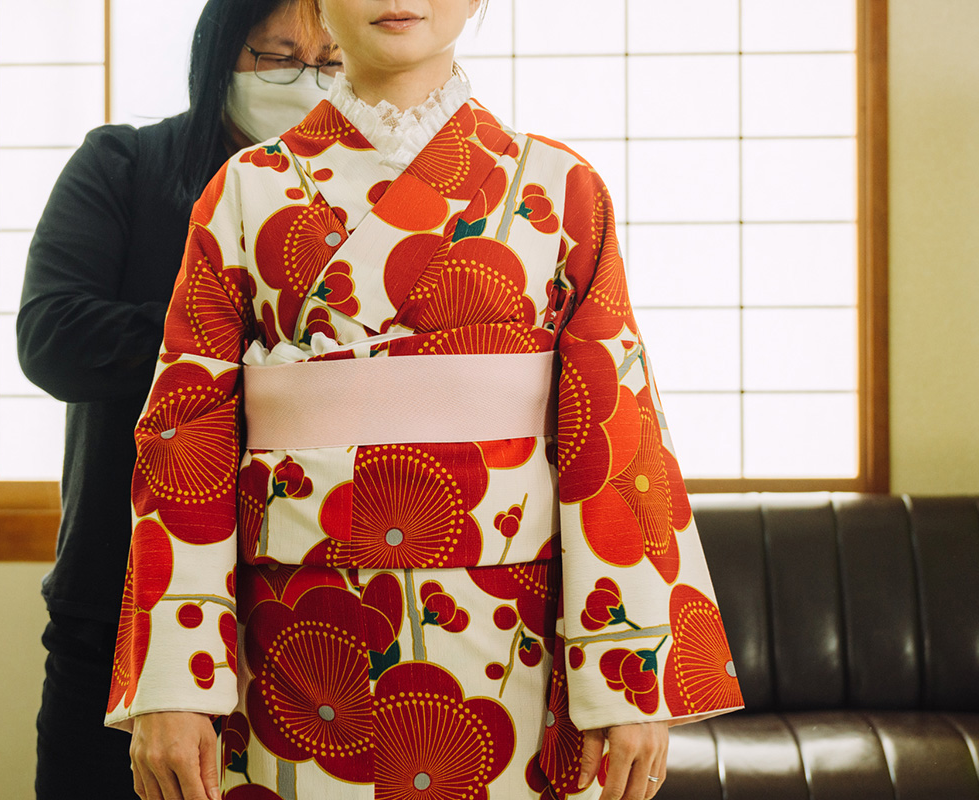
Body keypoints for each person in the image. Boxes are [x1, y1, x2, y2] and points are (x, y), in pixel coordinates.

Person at [104, 1, 745, 799]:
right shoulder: (245, 191)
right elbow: (184, 439)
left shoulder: (560, 188)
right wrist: (176, 678)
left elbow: (615, 441)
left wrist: (627, 672)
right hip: (297, 646)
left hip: (516, 642)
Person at [17, 2, 339, 797]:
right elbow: (53, 336)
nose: (306, 81)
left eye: (330, 62)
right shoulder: (127, 164)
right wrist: (228, 329)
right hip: (118, 589)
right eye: (276, 57)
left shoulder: (382, 195)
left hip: (317, 595)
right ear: (220, 57)